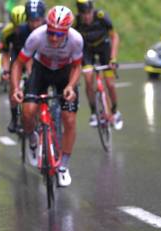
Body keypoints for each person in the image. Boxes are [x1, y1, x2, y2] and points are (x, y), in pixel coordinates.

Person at [10, 5, 82, 187]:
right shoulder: (37, 36)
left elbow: (76, 66)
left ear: (66, 31)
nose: (53, 37)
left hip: (65, 73)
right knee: (27, 112)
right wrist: (16, 88)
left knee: (70, 119)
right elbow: (18, 64)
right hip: (41, 71)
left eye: (58, 34)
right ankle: (33, 138)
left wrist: (71, 87)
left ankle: (63, 166)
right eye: (51, 32)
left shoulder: (76, 40)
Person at [73, 0, 122, 130]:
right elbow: (71, 41)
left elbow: (114, 37)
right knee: (88, 79)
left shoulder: (101, 17)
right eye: (83, 14)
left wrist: (113, 58)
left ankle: (115, 111)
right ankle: (94, 112)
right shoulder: (76, 22)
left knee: (110, 83)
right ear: (79, 14)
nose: (87, 17)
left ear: (92, 11)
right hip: (87, 50)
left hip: (104, 48)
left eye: (89, 13)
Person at [0, 1, 46, 133]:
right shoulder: (9, 32)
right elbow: (6, 53)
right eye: (15, 25)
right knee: (13, 84)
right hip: (16, 54)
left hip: (34, 55)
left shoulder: (38, 29)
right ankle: (14, 117)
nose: (17, 28)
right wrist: (6, 70)